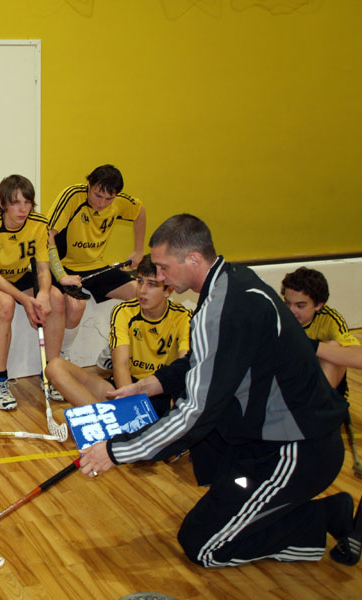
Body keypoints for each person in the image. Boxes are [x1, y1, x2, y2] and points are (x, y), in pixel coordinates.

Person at [79, 214, 361, 568]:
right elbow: (207, 358)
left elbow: (196, 411)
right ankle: (308, 509)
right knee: (208, 511)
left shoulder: (224, 307)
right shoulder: (232, 281)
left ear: (193, 258)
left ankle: (319, 520)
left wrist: (117, 451)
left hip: (297, 449)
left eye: (164, 268)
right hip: (263, 441)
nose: (160, 277)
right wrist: (155, 383)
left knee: (204, 547)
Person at [45, 254, 191, 417]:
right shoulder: (123, 311)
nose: (142, 290)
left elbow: (185, 368)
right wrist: (131, 406)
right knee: (54, 367)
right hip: (126, 388)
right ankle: (113, 420)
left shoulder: (183, 318)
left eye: (151, 284)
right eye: (140, 281)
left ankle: (121, 420)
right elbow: (120, 364)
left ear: (168, 290)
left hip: (161, 391)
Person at [0, 175, 65, 410]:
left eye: (27, 202)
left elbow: (43, 269)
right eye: (16, 202)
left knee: (57, 298)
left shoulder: (39, 223)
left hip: (20, 274)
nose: (23, 209)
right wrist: (26, 300)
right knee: (6, 303)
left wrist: (43, 294)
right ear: (2, 203)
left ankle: (50, 373)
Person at [46, 164, 146, 359]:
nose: (102, 203)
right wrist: (61, 274)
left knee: (143, 295)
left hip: (95, 266)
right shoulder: (72, 196)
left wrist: (138, 251)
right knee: (76, 306)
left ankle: (114, 349)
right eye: (98, 195)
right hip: (65, 265)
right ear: (89, 185)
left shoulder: (119, 202)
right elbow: (47, 235)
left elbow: (140, 211)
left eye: (109, 199)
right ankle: (64, 356)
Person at [281, 267, 362, 398]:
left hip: (319, 387)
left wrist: (309, 345)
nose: (291, 311)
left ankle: (320, 406)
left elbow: (359, 358)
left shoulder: (329, 319)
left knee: (333, 347)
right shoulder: (277, 313)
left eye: (300, 306)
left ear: (318, 305)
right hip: (289, 385)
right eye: (287, 303)